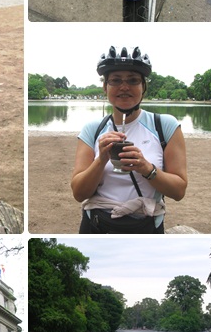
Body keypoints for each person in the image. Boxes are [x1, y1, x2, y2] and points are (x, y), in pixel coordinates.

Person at [71, 46, 187, 233]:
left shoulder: (165, 125)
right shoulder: (92, 129)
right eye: (115, 80)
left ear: (144, 87)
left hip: (146, 226)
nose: (124, 87)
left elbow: (179, 191)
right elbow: (78, 193)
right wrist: (101, 159)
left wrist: (146, 168)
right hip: (97, 225)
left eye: (133, 80)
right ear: (105, 87)